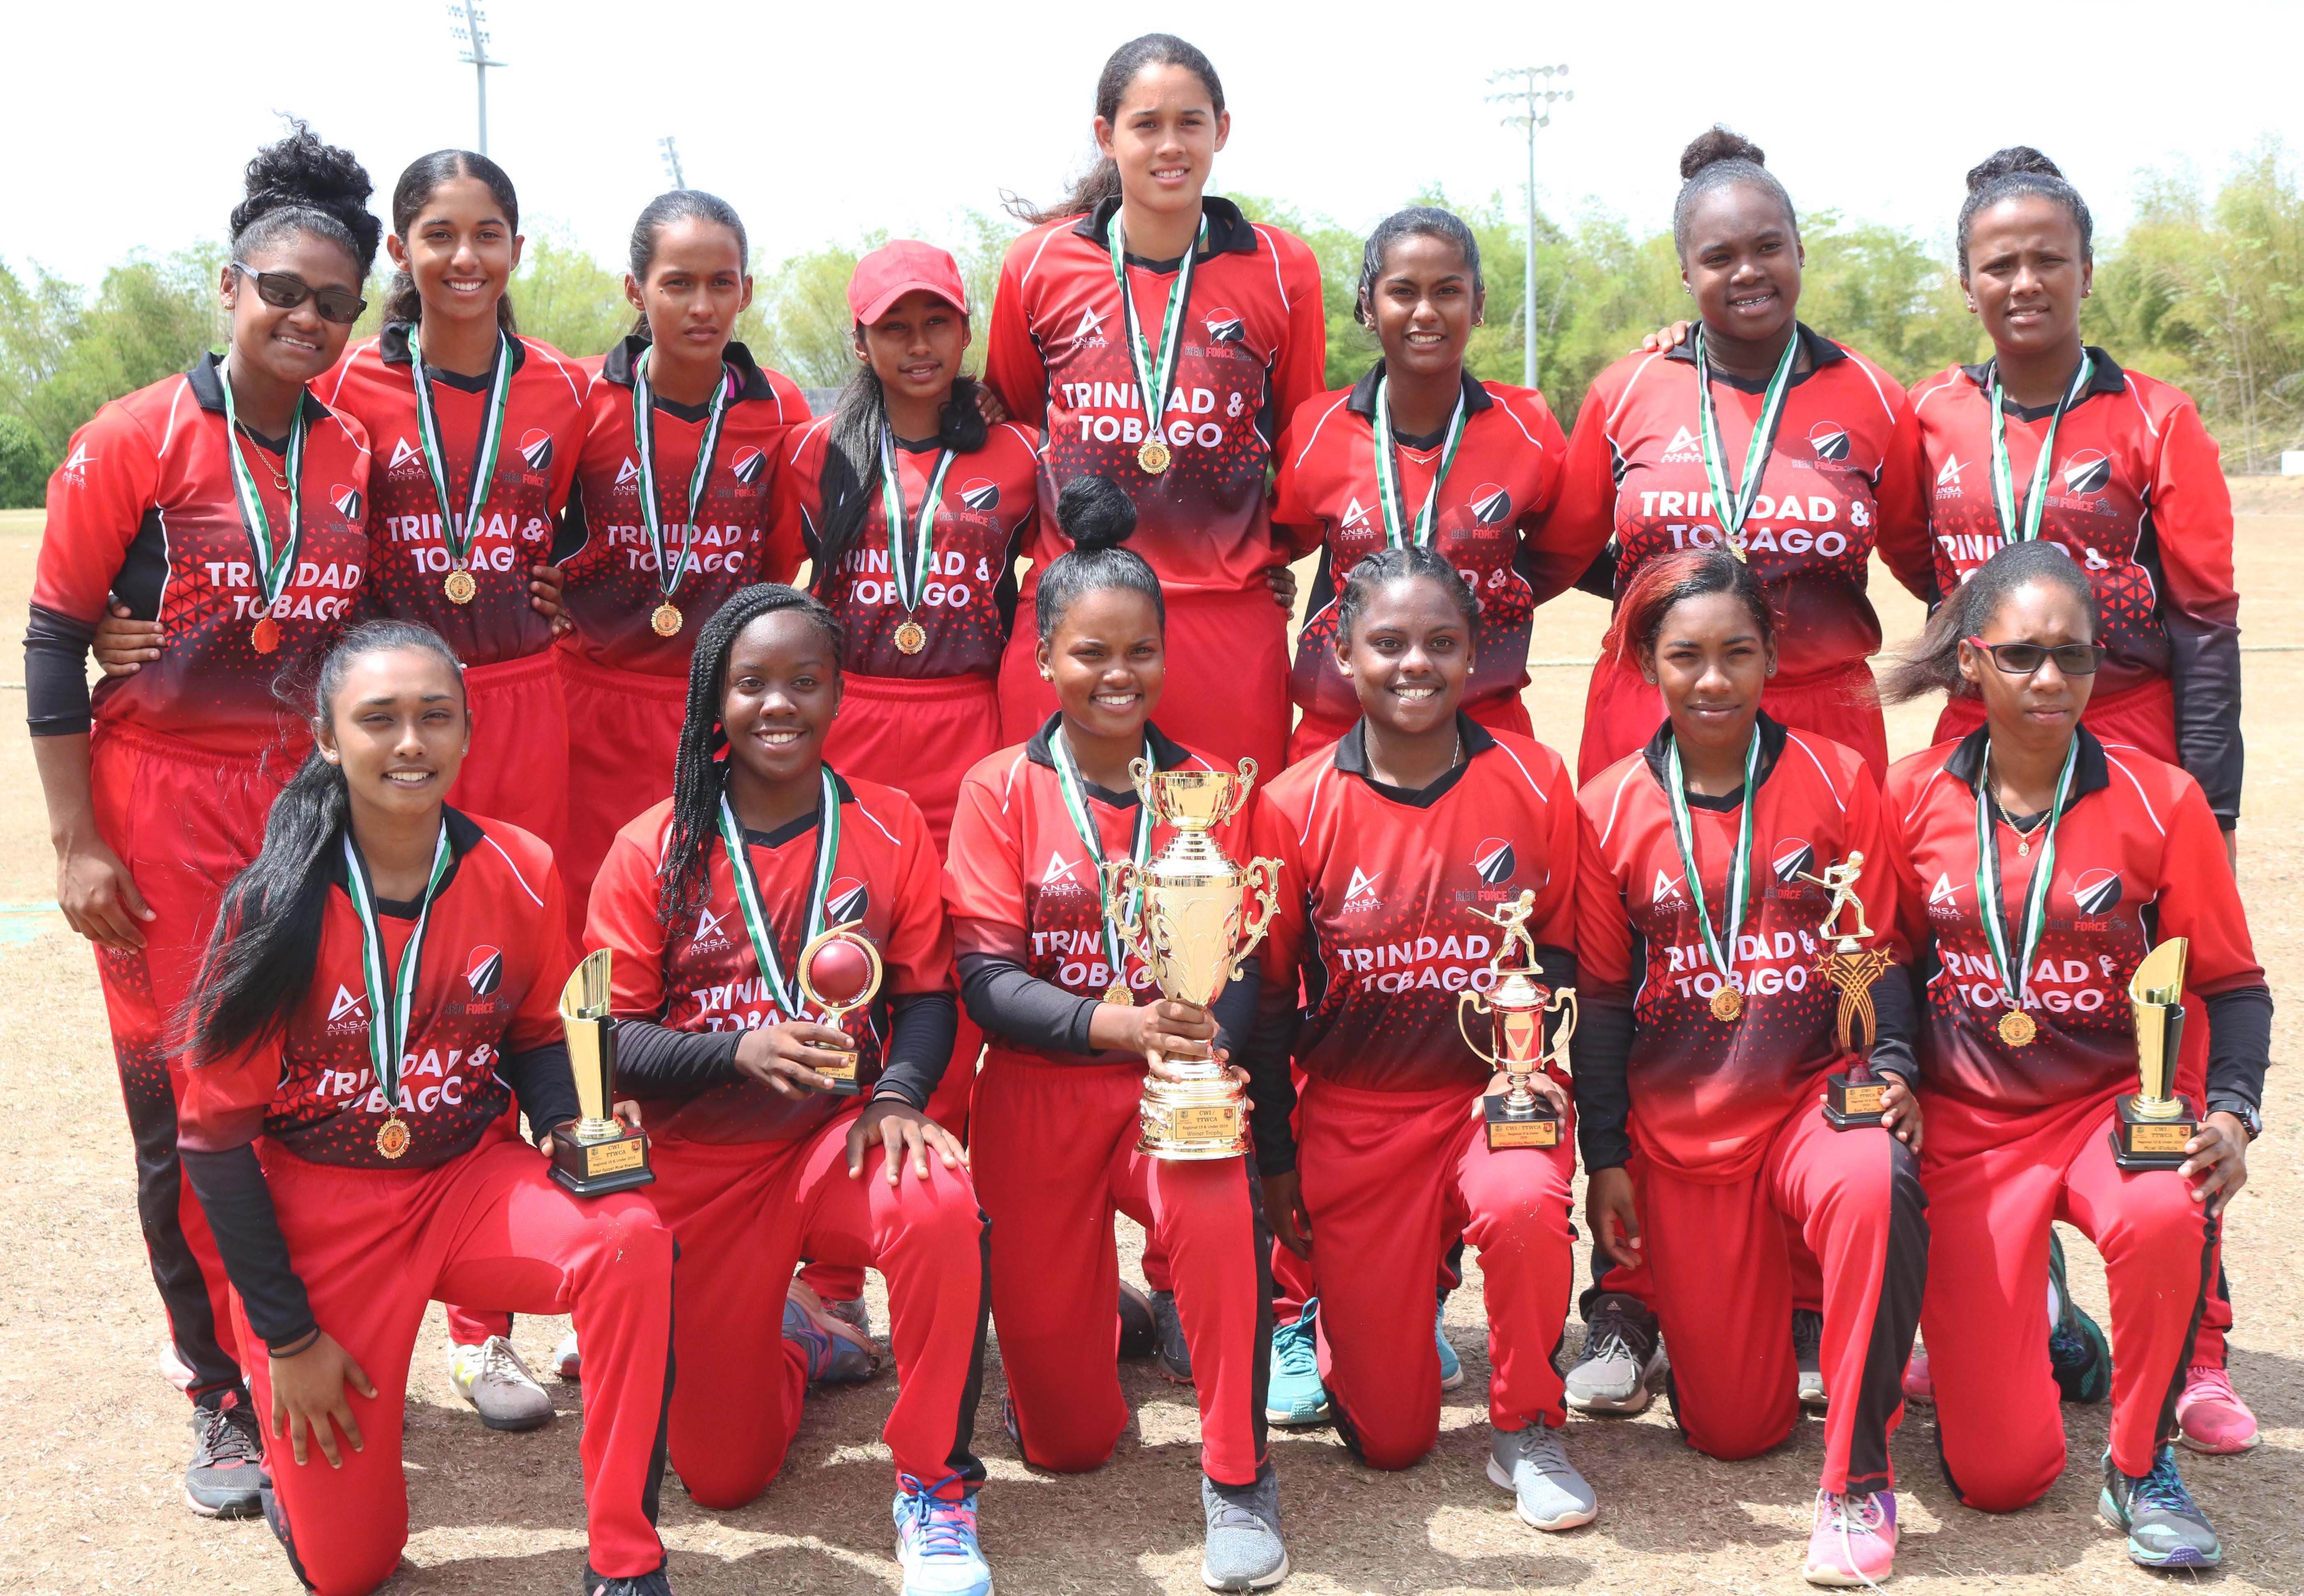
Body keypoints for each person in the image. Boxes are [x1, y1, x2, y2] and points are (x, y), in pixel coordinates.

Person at [24, 125, 380, 1519]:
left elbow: (364, 636)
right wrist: (75, 842)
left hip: (305, 805)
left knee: (304, 1086)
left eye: (332, 304)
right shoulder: (133, 436)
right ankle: (218, 1392)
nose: (304, 318)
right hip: (159, 805)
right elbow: (56, 643)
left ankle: (298, 1340)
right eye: (281, 291)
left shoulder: (354, 447)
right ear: (227, 286)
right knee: (183, 1111)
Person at [173, 621, 675, 1596]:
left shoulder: (521, 865)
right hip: (323, 1215)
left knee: (630, 1237)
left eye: (434, 717)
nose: (411, 741)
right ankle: (292, 1473)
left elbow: (535, 1035)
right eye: (380, 719)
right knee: (350, 1570)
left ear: (467, 732)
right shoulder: (274, 900)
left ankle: (626, 1557)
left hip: (462, 1179)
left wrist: (575, 1130)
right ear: (328, 739)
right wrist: (287, 1336)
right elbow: (214, 1140)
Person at [1903, 151, 2253, 1451]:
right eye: (1999, 260)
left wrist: (2208, 806)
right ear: (1967, 280)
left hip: (2131, 739)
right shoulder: (1929, 414)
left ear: (2087, 270)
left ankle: (2201, 1343)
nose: (2024, 279)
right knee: (1979, 1016)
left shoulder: (2157, 418)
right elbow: (1916, 563)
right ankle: (2012, 1298)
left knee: (2167, 1041)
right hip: (1982, 733)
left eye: (2049, 255)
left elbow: (2208, 623)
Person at [585, 583, 994, 1596]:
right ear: (711, 701)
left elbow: (928, 994)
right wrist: (733, 1052)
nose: (780, 705)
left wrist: (898, 1094)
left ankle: (936, 1486)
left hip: (832, 1139)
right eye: (753, 684)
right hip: (704, 1169)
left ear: (838, 690)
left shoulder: (889, 825)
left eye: (804, 682)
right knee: (724, 1479)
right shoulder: (654, 846)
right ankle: (798, 1334)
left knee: (941, 1203)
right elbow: (601, 1042)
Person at [1878, 540, 2267, 1570]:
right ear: (1969, 661)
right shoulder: (1908, 797)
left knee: (2159, 1205)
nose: (2050, 679)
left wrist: (2229, 1113)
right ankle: (2049, 1326)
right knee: (1997, 1479)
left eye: (2073, 656)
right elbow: (1879, 961)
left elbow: (2229, 983)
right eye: (2019, 655)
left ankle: (2140, 1463)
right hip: (1970, 1131)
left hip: (2105, 1112)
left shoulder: (2161, 799)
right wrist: (1891, 1070)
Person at [943, 475, 1291, 1591]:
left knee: (1216, 1207)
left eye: (1139, 651)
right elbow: (988, 984)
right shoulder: (999, 789)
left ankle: (1238, 1475)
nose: (1118, 675)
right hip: (1040, 1088)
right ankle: (1113, 1316)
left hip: (1176, 1085)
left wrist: (1194, 1033)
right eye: (1091, 652)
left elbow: (1243, 973)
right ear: (1044, 655)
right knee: (1067, 1441)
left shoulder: (1208, 792)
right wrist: (1124, 1020)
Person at [1573, 549, 1927, 1586]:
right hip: (1682, 1131)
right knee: (1732, 1431)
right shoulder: (1603, 806)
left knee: (1873, 1174)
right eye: (1685, 655)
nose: (1713, 678)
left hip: (1814, 1102)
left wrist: (1892, 1061)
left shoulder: (1836, 777)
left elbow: (1876, 948)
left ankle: (1858, 1477)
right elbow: (1598, 1002)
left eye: (1737, 651)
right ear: (1647, 661)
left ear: (1773, 655)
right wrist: (1605, 1156)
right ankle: (1727, 1324)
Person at [1245, 547, 1599, 1534]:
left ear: (1474, 654)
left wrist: (1529, 1060)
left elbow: (1561, 953)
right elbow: (1270, 1006)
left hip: (1494, 1099)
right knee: (1391, 1437)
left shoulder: (1535, 779)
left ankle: (1527, 1421)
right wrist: (1277, 1161)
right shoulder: (1291, 802)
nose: (1415, 664)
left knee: (1523, 1199)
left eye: (1441, 643)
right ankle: (1359, 1324)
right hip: (1355, 1115)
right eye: (1387, 642)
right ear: (1340, 655)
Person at [985, 32, 1325, 776]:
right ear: (1107, 136)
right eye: (1146, 124)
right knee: (1067, 868)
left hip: (1225, 621)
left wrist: (1273, 553)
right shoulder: (1037, 264)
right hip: (1075, 615)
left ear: (1222, 130)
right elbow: (1012, 424)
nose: (1170, 145)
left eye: (1190, 122)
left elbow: (1305, 443)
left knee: (1223, 862)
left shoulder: (1281, 267)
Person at [1550, 127, 1930, 785]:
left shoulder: (1876, 398)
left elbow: (1929, 565)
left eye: (1768, 247)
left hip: (1822, 718)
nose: (1748, 271)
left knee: (1827, 890)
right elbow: (1559, 553)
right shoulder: (1627, 390)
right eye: (1719, 256)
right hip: (1651, 710)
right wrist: (1657, 589)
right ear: (1688, 273)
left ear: (1801, 251)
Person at [777, 237, 1041, 1148]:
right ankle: (838, 1268)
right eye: (895, 327)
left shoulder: (1019, 454)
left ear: (967, 331)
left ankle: (941, 1170)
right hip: (848, 733)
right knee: (843, 952)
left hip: (967, 728)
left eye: (937, 322)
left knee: (959, 953)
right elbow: (771, 593)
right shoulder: (813, 453)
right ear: (859, 342)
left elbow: (1064, 586)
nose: (918, 344)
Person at [556, 189, 812, 916]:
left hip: (715, 708)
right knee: (591, 902)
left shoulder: (779, 409)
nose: (702, 305)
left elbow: (778, 562)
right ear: (636, 290)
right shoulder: (578, 393)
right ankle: (595, 1037)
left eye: (720, 283)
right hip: (591, 702)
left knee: (702, 903)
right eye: (678, 284)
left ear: (747, 291)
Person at [1271, 208, 1577, 762]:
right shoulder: (1319, 427)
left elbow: (1563, 551)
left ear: (1479, 304)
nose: (1426, 312)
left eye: (1449, 291)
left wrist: (1496, 605)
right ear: (1369, 305)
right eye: (1404, 291)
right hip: (1339, 731)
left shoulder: (1527, 424)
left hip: (1486, 726)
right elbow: (1279, 541)